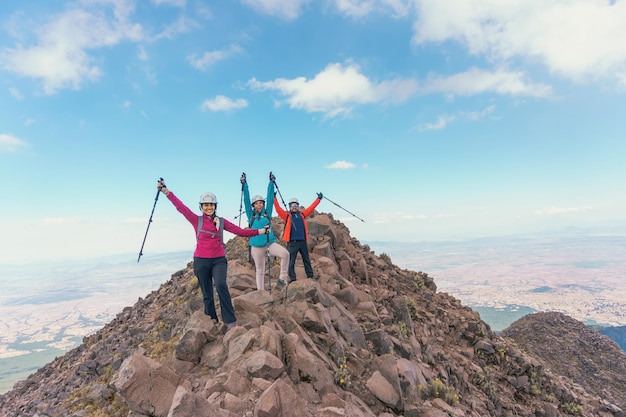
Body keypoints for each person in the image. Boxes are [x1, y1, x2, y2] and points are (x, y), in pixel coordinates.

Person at [157, 180, 269, 331]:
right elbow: (181, 208)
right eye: (206, 205)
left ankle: (230, 320)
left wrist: (261, 231)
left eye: (211, 205)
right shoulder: (196, 220)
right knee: (207, 292)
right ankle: (212, 320)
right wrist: (166, 192)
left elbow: (240, 232)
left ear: (215, 206)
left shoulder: (222, 222)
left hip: (218, 260)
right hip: (201, 260)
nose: (209, 207)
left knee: (221, 285)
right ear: (202, 207)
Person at [242, 172, 290, 289]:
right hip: (256, 247)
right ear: (253, 206)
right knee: (260, 271)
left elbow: (270, 199)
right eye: (256, 204)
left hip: (270, 244)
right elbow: (246, 200)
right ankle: (260, 292)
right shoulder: (251, 215)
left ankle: (282, 278)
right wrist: (244, 184)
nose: (259, 205)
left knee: (285, 254)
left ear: (263, 204)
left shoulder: (267, 212)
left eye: (260, 203)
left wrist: (271, 183)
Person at [274, 190, 323, 282]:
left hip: (302, 241)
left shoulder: (303, 214)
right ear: (289, 207)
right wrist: (274, 198)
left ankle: (310, 276)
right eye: (292, 206)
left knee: (306, 260)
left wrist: (318, 199)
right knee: (291, 261)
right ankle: (292, 279)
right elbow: (278, 209)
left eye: (296, 205)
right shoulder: (287, 216)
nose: (294, 207)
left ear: (298, 206)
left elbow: (311, 207)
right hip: (292, 242)